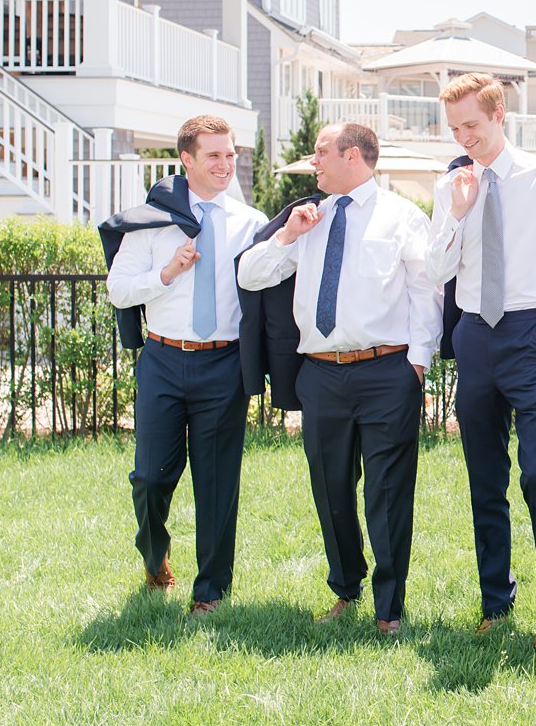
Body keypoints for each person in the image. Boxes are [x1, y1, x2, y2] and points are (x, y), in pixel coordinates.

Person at [237, 122, 441, 634]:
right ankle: (346, 587)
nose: (314, 161)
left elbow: (426, 291)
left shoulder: (402, 217)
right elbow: (250, 275)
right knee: (330, 488)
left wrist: (416, 362)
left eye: (321, 152)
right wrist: (287, 235)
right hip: (321, 375)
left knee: (388, 492)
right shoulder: (308, 217)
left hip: (387, 372)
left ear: (352, 155)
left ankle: (388, 608)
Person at [426, 72, 536, 648]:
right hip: (474, 337)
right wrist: (459, 212)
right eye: (456, 128)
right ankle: (496, 599)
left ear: (499, 117)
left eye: (473, 124)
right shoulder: (452, 187)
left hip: (529, 333)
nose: (465, 136)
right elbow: (435, 271)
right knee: (484, 479)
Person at [101, 115, 268, 616]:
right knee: (150, 477)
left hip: (224, 365)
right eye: (213, 155)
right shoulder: (153, 221)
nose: (225, 164)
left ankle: (211, 590)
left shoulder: (251, 223)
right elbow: (118, 288)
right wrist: (168, 272)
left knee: (218, 482)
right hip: (164, 360)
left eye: (230, 153)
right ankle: (155, 558)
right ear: (187, 160)